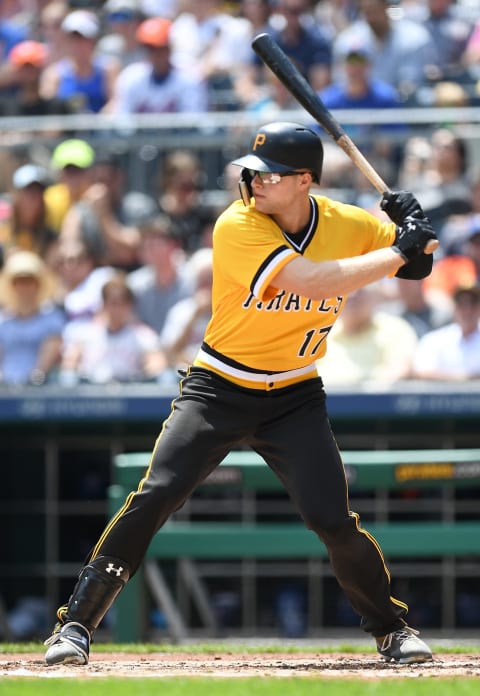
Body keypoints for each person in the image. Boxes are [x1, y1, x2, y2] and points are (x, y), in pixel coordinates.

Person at [43, 121, 437, 666]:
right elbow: (313, 282)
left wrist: (412, 229)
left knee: (331, 518)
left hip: (295, 394)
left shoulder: (347, 223)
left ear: (304, 181)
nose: (254, 184)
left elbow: (418, 268)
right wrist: (400, 249)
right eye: (250, 174)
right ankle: (75, 627)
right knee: (156, 494)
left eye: (268, 176)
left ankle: (391, 630)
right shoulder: (237, 225)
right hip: (219, 388)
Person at [60, 272, 166, 385]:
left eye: (122, 304)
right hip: (92, 393)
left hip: (129, 391)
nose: (117, 310)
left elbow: (157, 364)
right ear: (104, 305)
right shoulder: (86, 333)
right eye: (113, 304)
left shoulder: (144, 335)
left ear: (130, 306)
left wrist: (148, 370)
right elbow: (69, 364)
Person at [317, 284, 419, 387]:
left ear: (374, 297)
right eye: (346, 290)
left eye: (360, 290)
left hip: (376, 399)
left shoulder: (395, 329)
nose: (352, 295)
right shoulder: (320, 333)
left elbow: (400, 369)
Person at [0, 250, 65, 386]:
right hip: (5, 387)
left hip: (39, 388)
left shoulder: (51, 319)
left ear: (38, 284)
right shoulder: (3, 322)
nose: (24, 286)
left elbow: (45, 362)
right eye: (19, 281)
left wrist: (33, 381)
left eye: (29, 281)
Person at [411, 284, 480, 380]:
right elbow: (420, 371)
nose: (467, 310)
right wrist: (463, 378)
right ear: (454, 308)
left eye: (473, 303)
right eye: (461, 304)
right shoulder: (436, 340)